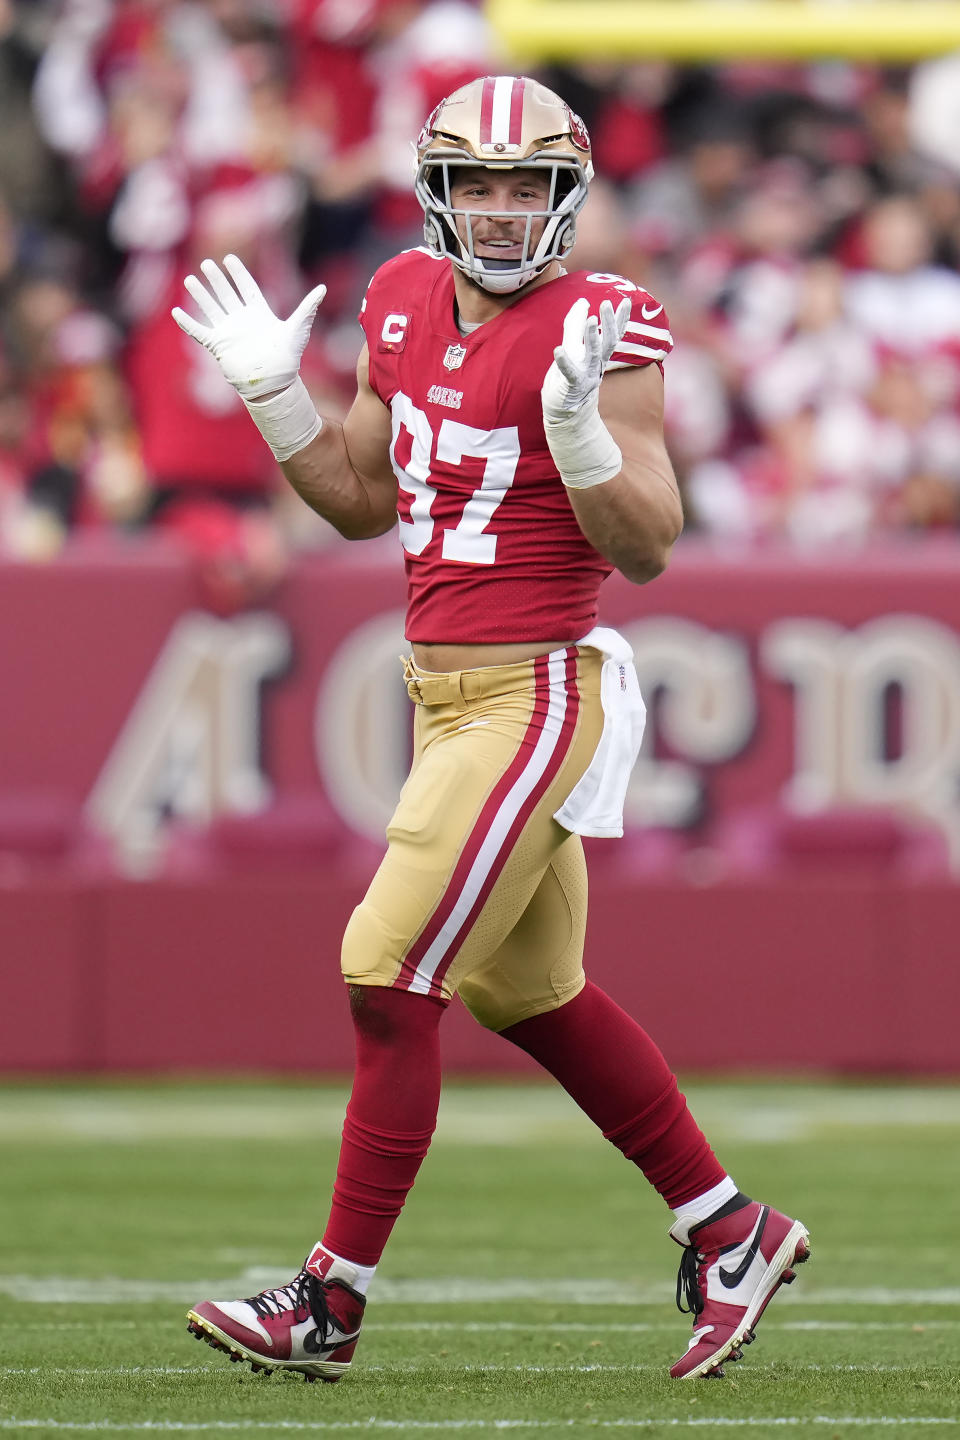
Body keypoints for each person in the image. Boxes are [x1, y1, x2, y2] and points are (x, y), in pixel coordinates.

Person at [173, 74, 809, 1385]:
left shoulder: (608, 321)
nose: (504, 210)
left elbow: (649, 546)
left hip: (536, 690)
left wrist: (580, 435)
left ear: (568, 197)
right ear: (439, 193)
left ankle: (329, 1304)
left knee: (386, 968)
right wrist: (273, 400)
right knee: (531, 992)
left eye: (528, 186)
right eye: (481, 184)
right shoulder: (399, 296)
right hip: (442, 695)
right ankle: (730, 1229)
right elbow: (356, 498)